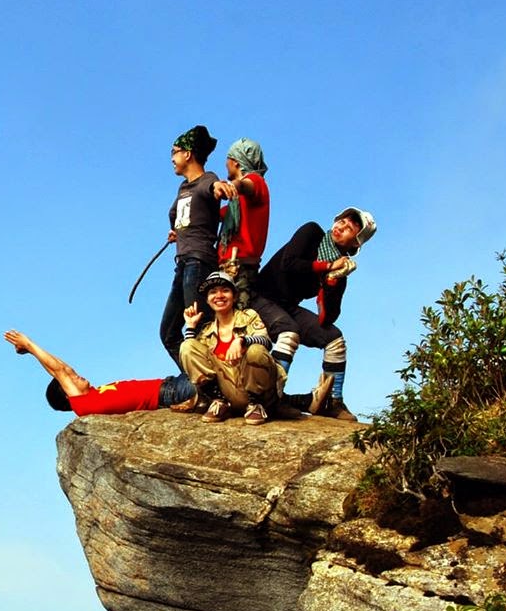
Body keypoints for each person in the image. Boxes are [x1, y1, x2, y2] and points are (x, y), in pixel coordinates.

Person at [252, 207, 377, 422]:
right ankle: (270, 399)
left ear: (356, 243)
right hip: (261, 297)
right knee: (289, 332)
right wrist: (327, 266)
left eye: (349, 228)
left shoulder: (339, 268)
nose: (341, 227)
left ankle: (332, 402)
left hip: (287, 307)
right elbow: (289, 263)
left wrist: (332, 281)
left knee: (335, 339)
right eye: (342, 221)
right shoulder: (312, 232)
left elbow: (328, 317)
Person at [159, 125, 235, 370]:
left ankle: (216, 382)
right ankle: (197, 379)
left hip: (199, 262)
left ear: (188, 153)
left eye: (175, 151)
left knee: (201, 326)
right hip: (183, 263)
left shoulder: (207, 179)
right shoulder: (184, 187)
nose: (172, 157)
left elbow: (212, 188)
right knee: (168, 332)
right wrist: (178, 231)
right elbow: (182, 215)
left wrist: (219, 188)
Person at [177, 271, 292, 424]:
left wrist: (242, 340)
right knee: (187, 346)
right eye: (213, 292)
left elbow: (266, 342)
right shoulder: (206, 331)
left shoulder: (249, 316)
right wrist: (190, 326)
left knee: (255, 350)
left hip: (259, 390)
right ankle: (219, 402)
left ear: (235, 296)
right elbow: (191, 358)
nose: (219, 296)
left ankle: (256, 404)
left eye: (225, 290)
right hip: (228, 390)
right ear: (207, 300)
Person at [5, 329, 197, 416]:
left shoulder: (94, 395)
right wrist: (29, 345)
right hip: (170, 393)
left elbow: (63, 369)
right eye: (71, 380)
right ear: (68, 395)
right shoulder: (84, 405)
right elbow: (59, 371)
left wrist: (31, 353)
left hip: (171, 383)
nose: (75, 374)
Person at [216, 137, 272, 311]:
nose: (226, 164)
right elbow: (214, 216)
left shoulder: (256, 182)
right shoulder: (235, 206)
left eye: (228, 159)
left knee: (238, 318)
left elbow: (245, 185)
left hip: (239, 268)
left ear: (236, 162)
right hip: (225, 267)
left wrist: (232, 186)